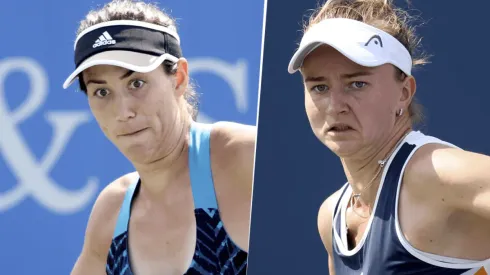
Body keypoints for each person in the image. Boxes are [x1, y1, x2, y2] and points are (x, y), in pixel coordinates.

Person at [287, 0, 490, 274]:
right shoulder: (331, 216)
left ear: (404, 93)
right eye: (319, 87)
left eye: (357, 83)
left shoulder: (436, 174)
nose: (335, 106)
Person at [63, 1, 255, 274]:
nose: (123, 111)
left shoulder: (247, 159)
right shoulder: (112, 212)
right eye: (102, 92)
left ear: (179, 78)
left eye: (136, 83)